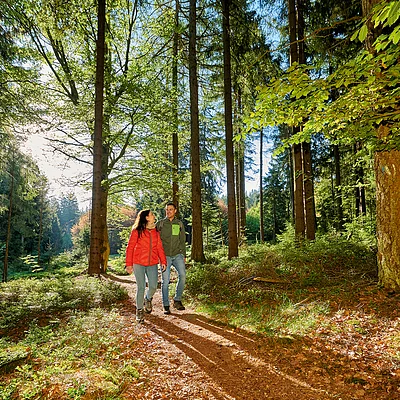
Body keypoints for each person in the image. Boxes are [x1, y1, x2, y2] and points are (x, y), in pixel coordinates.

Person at [126, 209, 167, 323]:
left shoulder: (155, 232)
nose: (154, 216)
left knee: (153, 286)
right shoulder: (137, 231)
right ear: (146, 218)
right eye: (152, 215)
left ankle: (148, 299)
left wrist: (163, 261)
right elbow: (130, 247)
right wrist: (129, 264)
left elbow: (159, 247)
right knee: (141, 287)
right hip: (138, 262)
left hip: (152, 263)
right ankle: (139, 311)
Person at [156, 202, 187, 315]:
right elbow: (155, 240)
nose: (168, 211)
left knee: (182, 275)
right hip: (165, 256)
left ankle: (177, 300)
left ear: (175, 211)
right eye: (167, 209)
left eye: (171, 209)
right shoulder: (160, 224)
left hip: (177, 255)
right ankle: (166, 305)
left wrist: (183, 255)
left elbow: (182, 240)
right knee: (165, 281)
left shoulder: (179, 224)